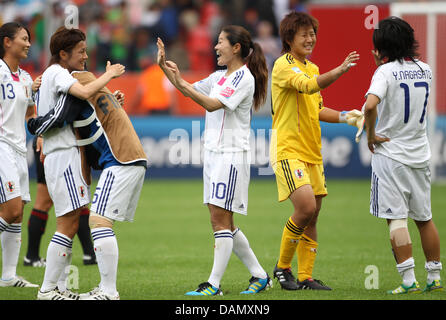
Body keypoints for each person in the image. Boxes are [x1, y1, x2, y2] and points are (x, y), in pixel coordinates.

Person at [157, 25, 272, 296]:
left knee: (220, 220)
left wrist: (182, 82)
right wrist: (164, 66)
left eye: (220, 42)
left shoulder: (243, 78)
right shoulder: (220, 76)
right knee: (223, 222)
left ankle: (213, 285)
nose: (215, 46)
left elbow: (211, 104)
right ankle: (260, 275)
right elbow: (186, 90)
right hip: (213, 156)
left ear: (236, 48)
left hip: (231, 156)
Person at [28, 67, 147, 301]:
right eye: (81, 51)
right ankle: (70, 288)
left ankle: (107, 291)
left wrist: (34, 127)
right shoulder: (95, 88)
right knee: (90, 221)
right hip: (129, 158)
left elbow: (59, 117)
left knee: (97, 221)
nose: (84, 57)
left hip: (120, 159)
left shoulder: (77, 86)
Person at [270, 11, 362, 290]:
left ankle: (306, 276)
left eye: (313, 34)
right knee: (305, 207)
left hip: (312, 150)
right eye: (304, 34)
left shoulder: (311, 66)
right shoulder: (284, 65)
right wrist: (341, 69)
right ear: (289, 38)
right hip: (288, 149)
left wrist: (348, 116)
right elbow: (309, 87)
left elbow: (318, 108)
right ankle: (282, 268)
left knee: (313, 214)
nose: (310, 39)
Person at [32, 26, 125, 300]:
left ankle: (58, 287)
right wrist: (109, 75)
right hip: (62, 154)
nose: (85, 56)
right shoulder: (58, 73)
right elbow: (83, 93)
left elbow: (80, 104)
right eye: (81, 51)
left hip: (62, 154)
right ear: (64, 53)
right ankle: (48, 289)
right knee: (68, 223)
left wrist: (108, 97)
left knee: (69, 222)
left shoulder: (52, 75)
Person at [363, 16, 442, 294]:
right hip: (420, 153)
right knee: (424, 218)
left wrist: (371, 134)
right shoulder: (425, 69)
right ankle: (434, 277)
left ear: (380, 49)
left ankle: (409, 281)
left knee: (396, 218)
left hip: (391, 155)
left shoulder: (384, 72)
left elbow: (370, 105)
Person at [0, 21, 39, 288]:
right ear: (7, 42)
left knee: (17, 213)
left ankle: (8, 276)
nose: (28, 43)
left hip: (19, 149)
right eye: (23, 38)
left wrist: (42, 132)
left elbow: (30, 113)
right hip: (1, 145)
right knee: (11, 208)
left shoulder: (25, 79)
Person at [23, 135, 96, 268]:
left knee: (80, 199)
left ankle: (89, 253)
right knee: (45, 200)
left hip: (59, 143)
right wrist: (41, 134)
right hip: (54, 144)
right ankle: (31, 256)